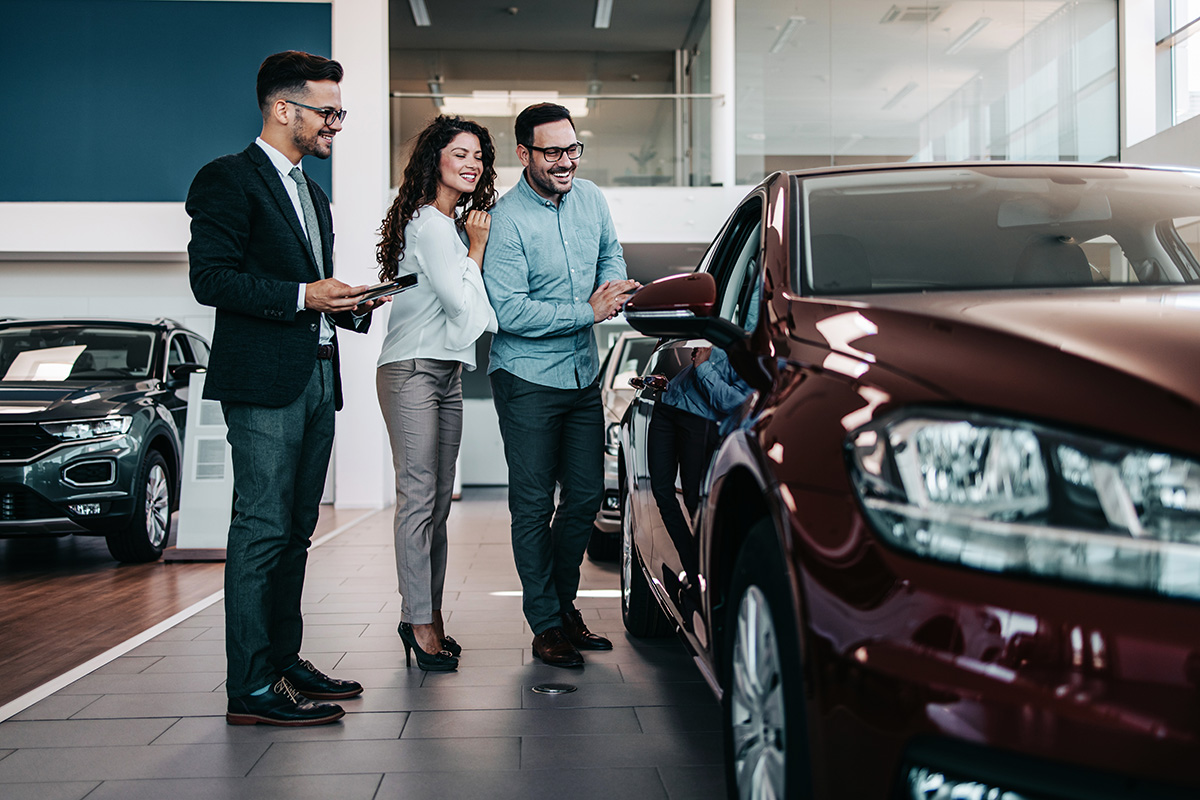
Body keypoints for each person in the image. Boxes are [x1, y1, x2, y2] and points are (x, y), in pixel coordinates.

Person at [188, 50, 386, 726]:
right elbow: (211, 280)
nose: (336, 124)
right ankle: (250, 688)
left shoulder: (311, 192)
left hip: (317, 376)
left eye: (340, 113)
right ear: (282, 108)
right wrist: (305, 295)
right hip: (265, 384)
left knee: (297, 531)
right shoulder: (227, 179)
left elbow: (309, 293)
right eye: (327, 112)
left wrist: (349, 303)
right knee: (262, 529)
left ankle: (282, 659)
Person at [483, 103, 639, 667]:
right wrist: (587, 312)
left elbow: (610, 255)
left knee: (586, 496)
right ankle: (547, 622)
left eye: (573, 148)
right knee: (531, 504)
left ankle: (561, 605)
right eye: (552, 152)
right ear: (524, 154)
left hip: (580, 375)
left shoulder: (591, 199)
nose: (566, 161)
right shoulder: (506, 220)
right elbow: (509, 310)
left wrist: (610, 290)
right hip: (525, 377)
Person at [375, 116, 498, 672]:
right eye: (460, 154)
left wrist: (470, 249)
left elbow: (472, 314)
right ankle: (418, 620)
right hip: (412, 370)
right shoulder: (429, 223)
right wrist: (478, 249)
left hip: (446, 372)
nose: (472, 164)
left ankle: (429, 613)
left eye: (479, 156)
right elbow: (462, 308)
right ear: (436, 160)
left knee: (438, 502)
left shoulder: (449, 226)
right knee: (419, 498)